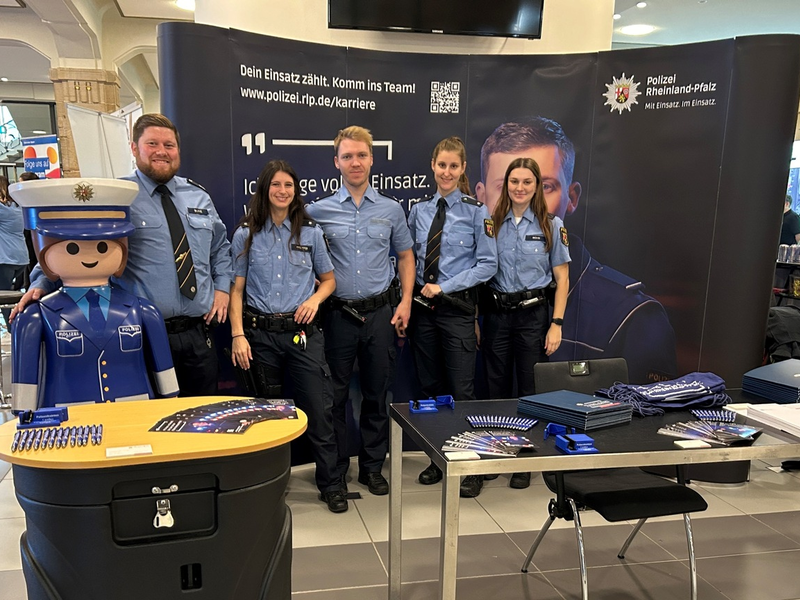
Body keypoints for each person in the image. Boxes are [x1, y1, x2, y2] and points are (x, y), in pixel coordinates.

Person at [13, 114, 233, 396]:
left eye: (169, 145)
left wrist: (222, 288)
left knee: (202, 416)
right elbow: (77, 245)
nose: (161, 151)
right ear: (134, 148)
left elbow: (220, 249)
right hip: (139, 334)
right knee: (151, 421)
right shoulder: (117, 196)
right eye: (152, 143)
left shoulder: (198, 196)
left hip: (198, 334)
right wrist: (40, 284)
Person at [475, 117, 676, 384]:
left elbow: (644, 420)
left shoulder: (630, 318)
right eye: (506, 186)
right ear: (481, 196)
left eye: (544, 186)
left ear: (571, 197)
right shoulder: (462, 303)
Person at [229, 159, 346, 513]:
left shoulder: (309, 232)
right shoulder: (245, 233)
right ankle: (267, 486)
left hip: (302, 336)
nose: (282, 191)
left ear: (296, 192)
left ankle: (332, 484)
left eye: (289, 186)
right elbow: (236, 290)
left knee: (319, 411)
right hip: (259, 336)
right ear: (264, 190)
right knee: (266, 417)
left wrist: (313, 300)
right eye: (276, 185)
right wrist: (237, 335)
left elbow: (329, 281)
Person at [306, 126, 415, 496]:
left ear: (372, 159)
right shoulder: (316, 211)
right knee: (334, 399)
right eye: (348, 156)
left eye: (362, 155)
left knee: (377, 394)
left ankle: (372, 467)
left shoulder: (391, 209)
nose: (356, 162)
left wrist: (404, 302)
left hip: (380, 315)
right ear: (336, 162)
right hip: (336, 317)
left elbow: (405, 256)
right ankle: (335, 471)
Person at [11, 178, 178, 409]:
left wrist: (170, 404)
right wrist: (25, 419)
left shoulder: (143, 310)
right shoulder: (35, 317)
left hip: (136, 413)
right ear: (43, 250)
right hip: (67, 419)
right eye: (71, 247)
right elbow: (24, 389)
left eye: (102, 246)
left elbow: (167, 379)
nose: (89, 255)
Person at [408, 136, 498, 498]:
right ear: (433, 165)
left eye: (454, 166)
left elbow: (488, 264)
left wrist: (445, 286)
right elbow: (409, 259)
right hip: (423, 314)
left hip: (457, 312)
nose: (447, 172)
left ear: (463, 170)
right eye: (441, 165)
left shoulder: (478, 212)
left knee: (461, 392)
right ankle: (436, 459)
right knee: (430, 391)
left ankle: (470, 466)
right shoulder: (418, 211)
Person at [482, 157, 570, 489]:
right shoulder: (492, 222)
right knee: (495, 388)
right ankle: (497, 451)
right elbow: (483, 275)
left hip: (533, 317)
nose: (520, 188)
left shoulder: (551, 224)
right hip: (496, 315)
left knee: (529, 391)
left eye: (527, 182)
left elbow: (562, 279)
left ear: (536, 187)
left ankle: (524, 458)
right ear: (506, 186)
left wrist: (556, 323)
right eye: (514, 181)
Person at [0, 176, 28, 326]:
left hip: (6, 259)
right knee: (11, 294)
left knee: (3, 296)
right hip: (21, 258)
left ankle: (13, 327)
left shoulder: (2, 209)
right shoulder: (18, 207)